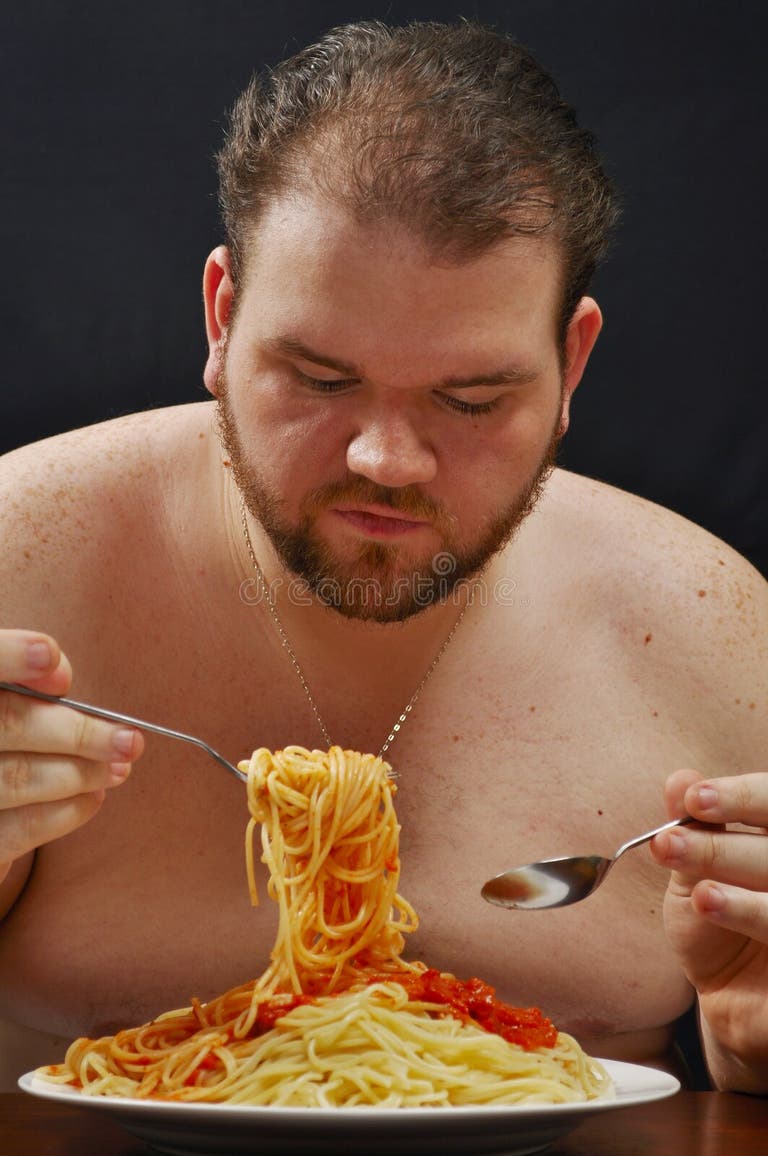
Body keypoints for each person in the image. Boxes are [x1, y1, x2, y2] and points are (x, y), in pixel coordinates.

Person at [0, 19, 766, 1095]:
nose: (387, 459)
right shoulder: (17, 554)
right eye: (317, 378)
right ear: (222, 319)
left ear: (572, 364)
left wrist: (751, 1059)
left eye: (471, 399)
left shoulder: (718, 630)